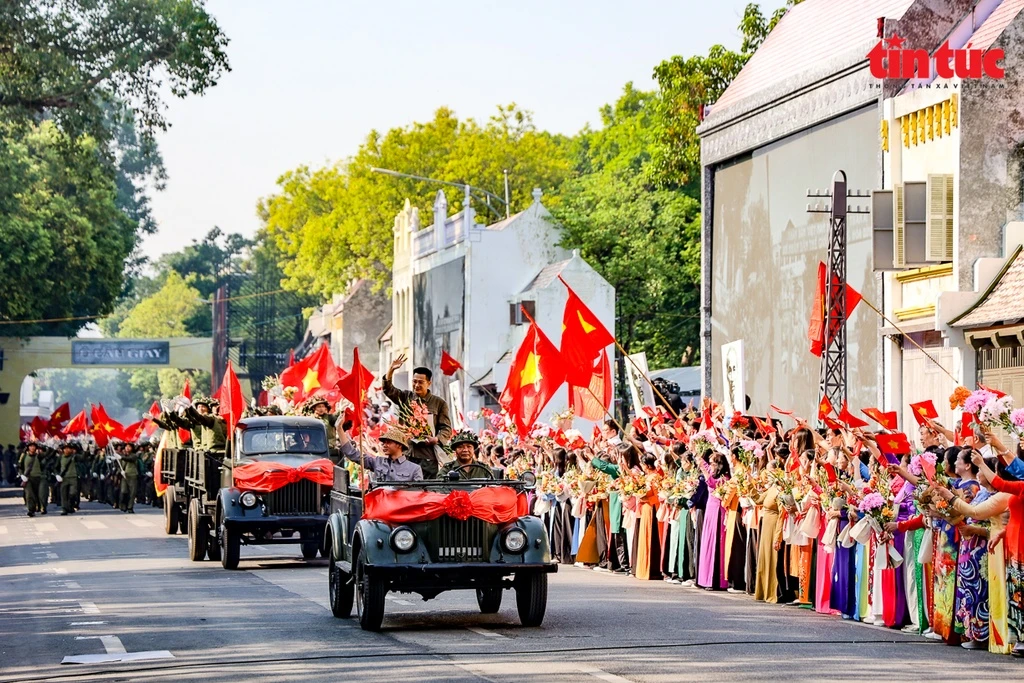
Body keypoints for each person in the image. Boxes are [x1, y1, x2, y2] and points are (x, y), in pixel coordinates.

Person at [381, 354, 452, 479]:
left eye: (421, 382)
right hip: (407, 453)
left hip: (428, 457)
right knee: (406, 488)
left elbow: (446, 428)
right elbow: (388, 389)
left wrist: (436, 439)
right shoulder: (405, 397)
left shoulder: (439, 403)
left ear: (429, 383)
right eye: (414, 381)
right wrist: (391, 369)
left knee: (426, 489)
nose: (416, 385)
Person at [338, 427, 422, 482]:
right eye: (384, 442)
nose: (384, 445)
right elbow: (352, 454)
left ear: (399, 445)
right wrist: (339, 429)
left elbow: (418, 496)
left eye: (388, 442)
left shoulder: (414, 469)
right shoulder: (377, 462)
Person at [17, 442, 48, 517]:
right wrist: (22, 475)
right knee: (29, 494)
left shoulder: (39, 455)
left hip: (39, 478)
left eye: (34, 446)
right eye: (31, 446)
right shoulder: (23, 456)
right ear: (28, 447)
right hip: (28, 478)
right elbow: (19, 466)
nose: (32, 448)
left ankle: (42, 507)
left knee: (41, 494)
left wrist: (49, 444)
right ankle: (31, 510)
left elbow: (49, 453)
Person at [57, 442, 79, 516]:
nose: (67, 450)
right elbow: (55, 467)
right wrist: (57, 475)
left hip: (73, 478)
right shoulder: (60, 457)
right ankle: (64, 509)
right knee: (63, 494)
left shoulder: (74, 457)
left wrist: (86, 450)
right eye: (65, 449)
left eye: (69, 448)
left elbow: (83, 457)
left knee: (72, 493)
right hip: (64, 478)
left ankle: (70, 505)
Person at [119, 443, 140, 513]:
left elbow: (130, 459)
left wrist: (121, 457)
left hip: (133, 475)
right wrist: (120, 471)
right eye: (126, 446)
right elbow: (119, 466)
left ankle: (130, 507)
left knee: (132, 492)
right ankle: (123, 505)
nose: (127, 448)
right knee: (123, 491)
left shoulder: (134, 455)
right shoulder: (122, 456)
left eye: (129, 447)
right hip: (124, 476)